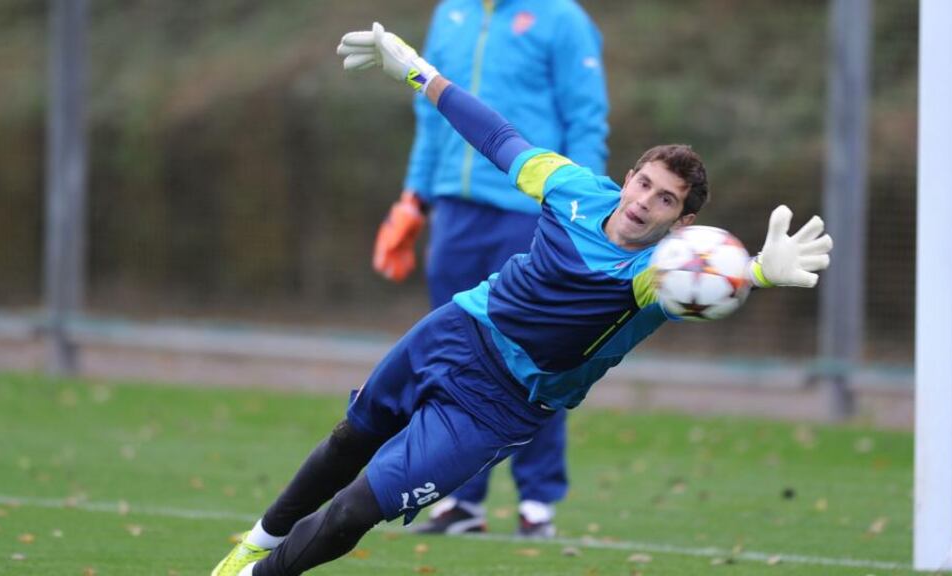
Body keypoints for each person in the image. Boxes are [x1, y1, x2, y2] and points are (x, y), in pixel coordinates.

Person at [211, 22, 833, 576]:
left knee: (353, 510)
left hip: (500, 405)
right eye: (643, 183)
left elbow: (709, 283)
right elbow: (494, 134)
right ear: (627, 177)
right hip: (457, 329)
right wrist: (417, 71)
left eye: (665, 199)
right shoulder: (572, 188)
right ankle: (257, 542)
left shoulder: (658, 275)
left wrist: (759, 273)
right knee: (352, 436)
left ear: (681, 221)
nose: (644, 200)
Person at [373, 0, 609, 538]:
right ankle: (458, 501)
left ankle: (538, 502)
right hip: (455, 213)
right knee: (451, 360)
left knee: (535, 358)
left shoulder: (562, 19)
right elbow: (428, 112)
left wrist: (588, 215)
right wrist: (414, 197)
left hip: (532, 214)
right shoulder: (449, 14)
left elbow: (585, 119)